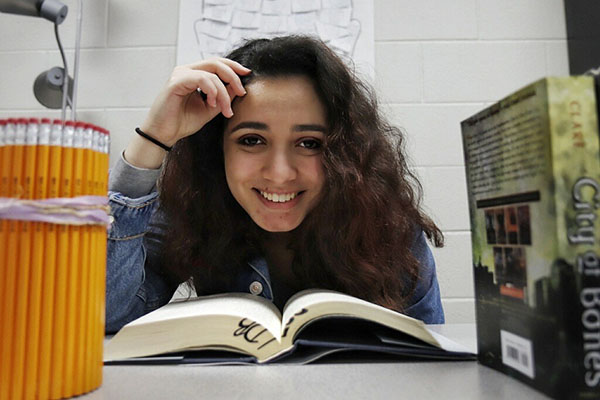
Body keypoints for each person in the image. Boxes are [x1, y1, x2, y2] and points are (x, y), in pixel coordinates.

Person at [106, 35, 445, 334]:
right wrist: (152, 138)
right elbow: (107, 316)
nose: (280, 174)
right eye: (252, 140)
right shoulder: (192, 207)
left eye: (310, 143)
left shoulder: (387, 228)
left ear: (344, 152)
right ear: (218, 148)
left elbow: (426, 365)